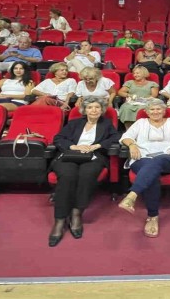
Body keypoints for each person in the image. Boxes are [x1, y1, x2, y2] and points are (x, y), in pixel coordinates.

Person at [48, 96, 119, 247]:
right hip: (70, 155)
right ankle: (59, 220)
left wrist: (97, 146)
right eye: (90, 107)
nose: (94, 110)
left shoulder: (106, 124)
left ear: (102, 110)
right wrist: (74, 146)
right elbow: (58, 138)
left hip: (93, 156)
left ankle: (76, 213)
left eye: (97, 107)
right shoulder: (74, 123)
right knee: (68, 175)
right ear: (84, 110)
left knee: (86, 175)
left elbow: (115, 138)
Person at [118, 99, 170, 238]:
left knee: (158, 160)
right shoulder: (141, 123)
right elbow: (126, 137)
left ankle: (132, 195)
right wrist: (132, 145)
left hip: (169, 158)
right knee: (152, 172)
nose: (155, 112)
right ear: (147, 112)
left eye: (158, 109)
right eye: (152, 109)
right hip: (142, 158)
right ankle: (152, 217)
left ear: (164, 111)